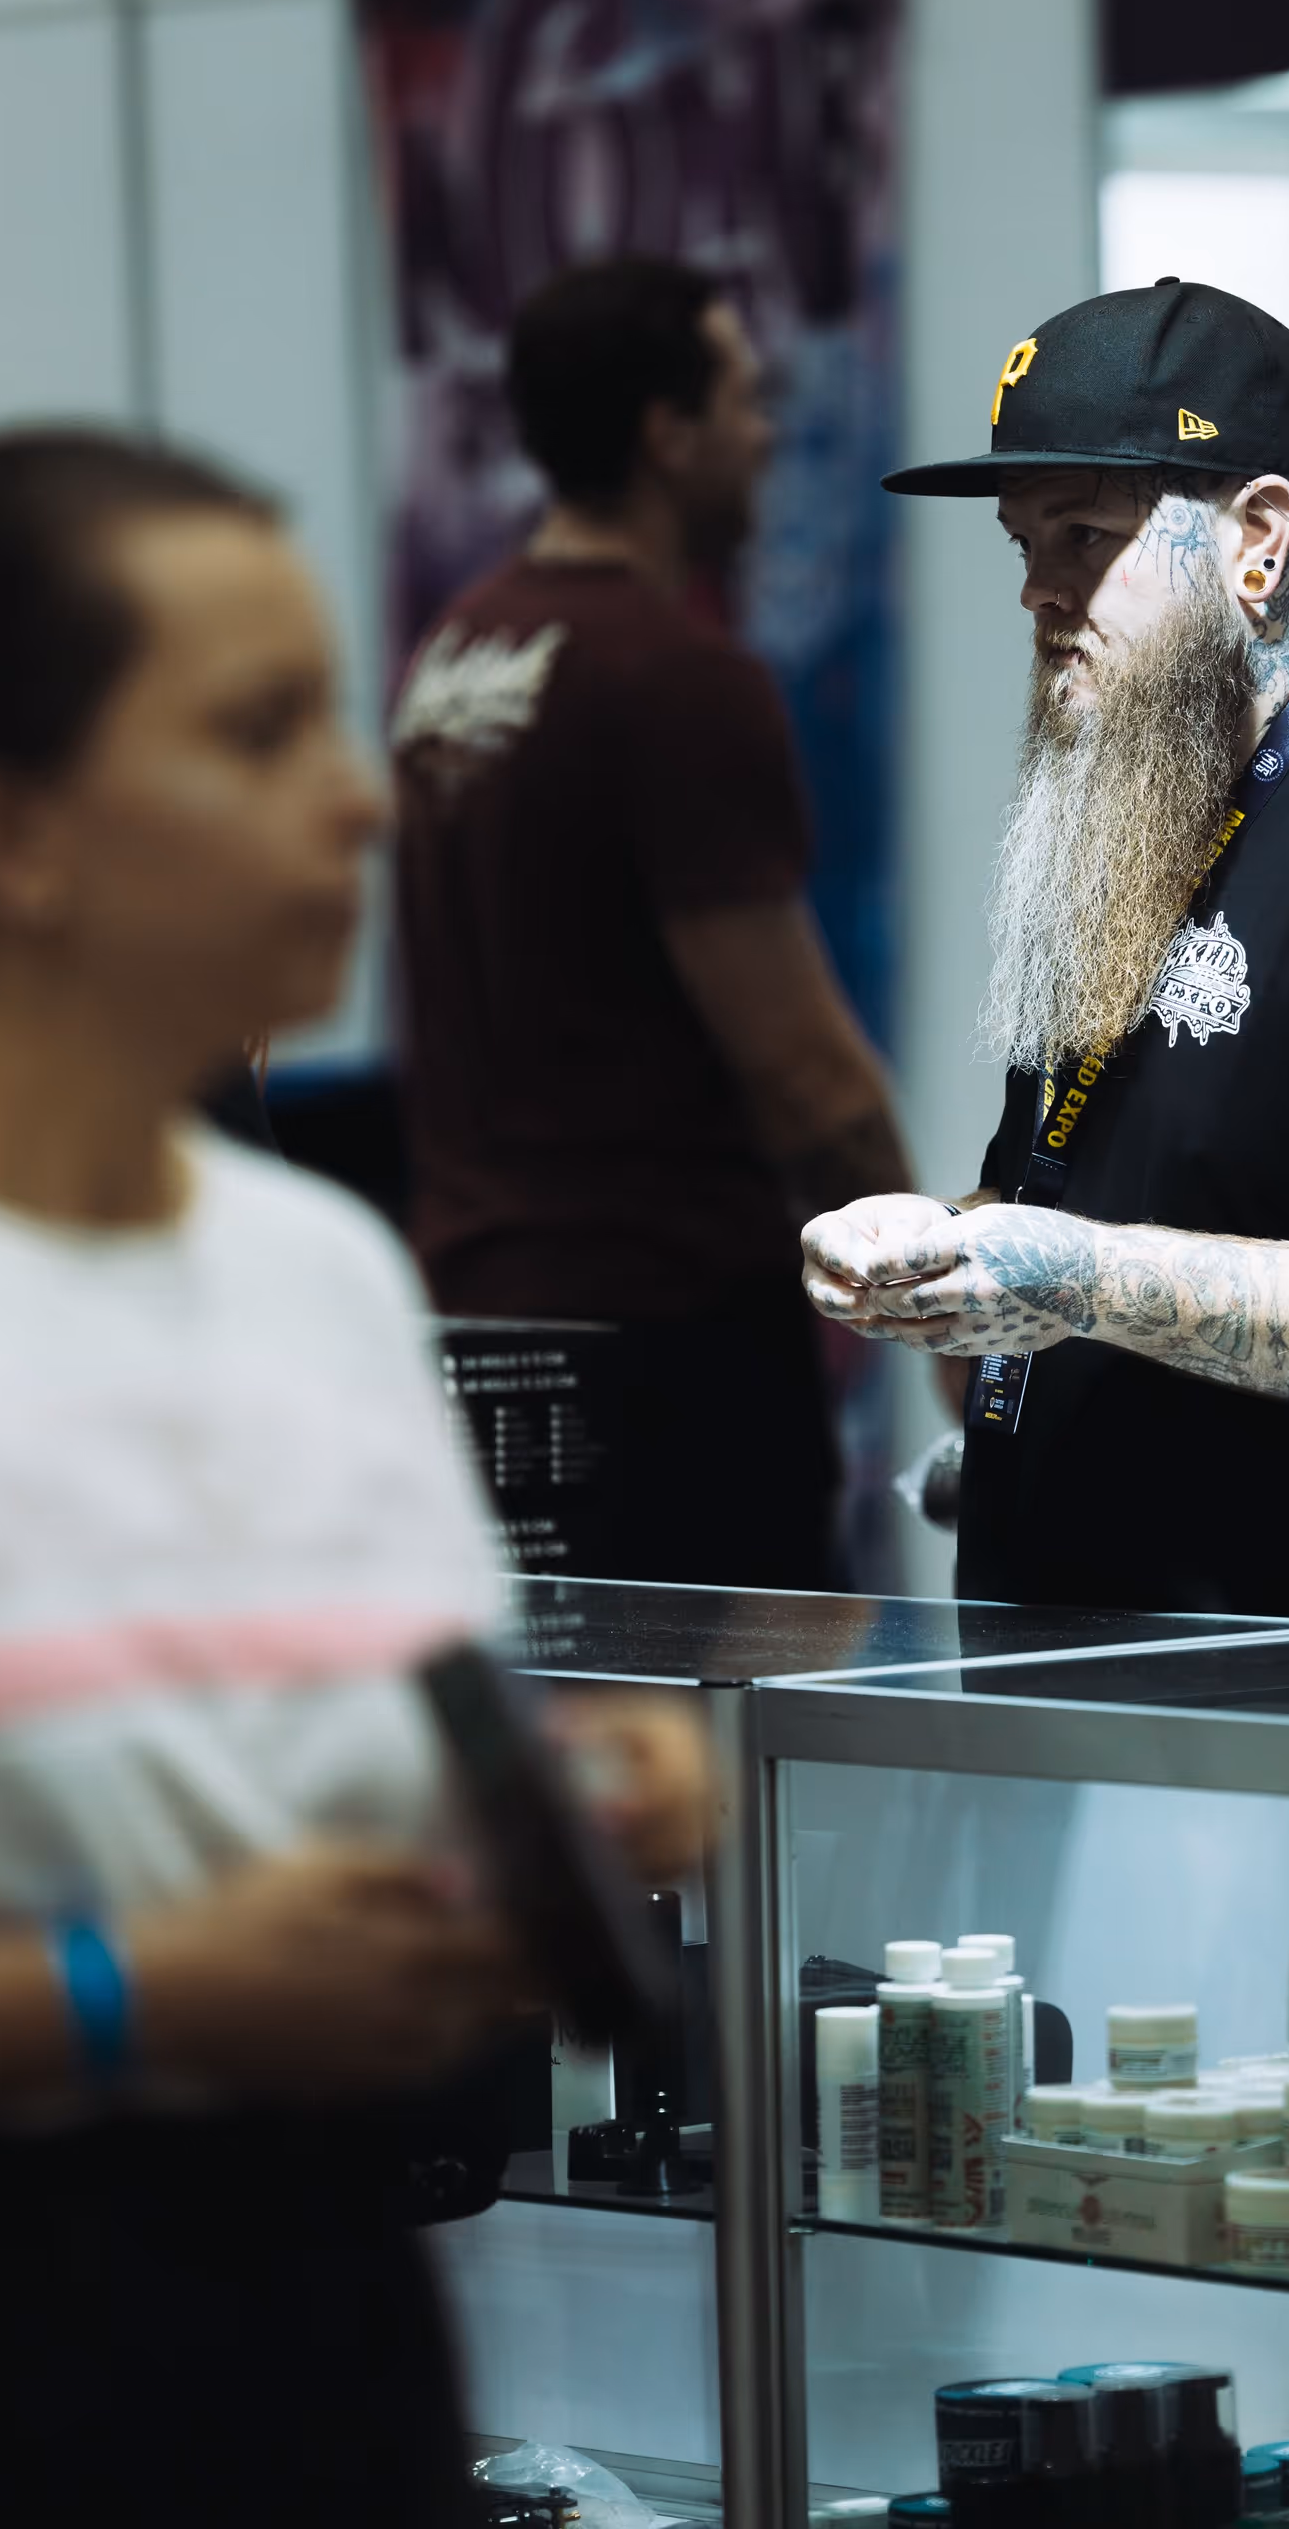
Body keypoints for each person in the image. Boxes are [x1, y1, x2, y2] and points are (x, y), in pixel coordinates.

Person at [0, 427, 710, 2521]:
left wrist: (560, 1822)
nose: (358, 796)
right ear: (14, 829)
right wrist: (136, 1996)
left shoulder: (320, 1273)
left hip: (328, 2338)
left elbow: (375, 1788)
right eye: (254, 726)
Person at [802, 278, 1289, 1634]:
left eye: (1088, 536)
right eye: (1023, 540)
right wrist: (947, 1259)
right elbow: (1065, 1203)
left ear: (1259, 537)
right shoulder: (1121, 830)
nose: (1037, 590)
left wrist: (1077, 1274)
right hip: (1082, 1682)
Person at [391, 257, 909, 1590]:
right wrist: (941, 1317)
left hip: (483, 1319)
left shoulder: (458, 648)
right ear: (665, 433)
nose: (766, 432)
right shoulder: (678, 678)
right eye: (741, 397)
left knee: (571, 1763)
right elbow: (805, 1074)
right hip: (670, 1338)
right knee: (730, 1778)